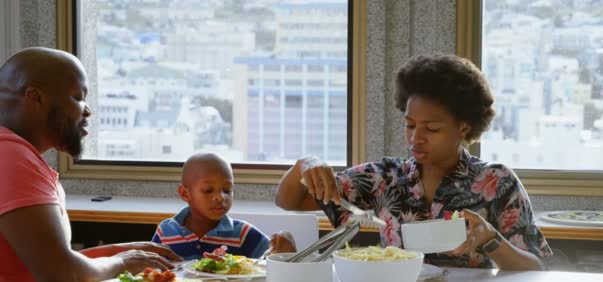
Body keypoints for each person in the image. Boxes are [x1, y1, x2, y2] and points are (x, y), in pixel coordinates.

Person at [275, 54, 552, 271]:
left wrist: (492, 240)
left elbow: (535, 268)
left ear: (464, 128)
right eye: (410, 125)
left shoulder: (496, 182)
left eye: (431, 129)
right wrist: (306, 164)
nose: (415, 139)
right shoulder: (383, 178)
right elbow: (290, 201)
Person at [0, 47, 181, 282]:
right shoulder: (13, 158)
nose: (88, 111)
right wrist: (120, 262)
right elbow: (61, 277)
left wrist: (120, 252)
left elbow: (43, 263)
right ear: (35, 97)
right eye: (77, 97)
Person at [152, 152, 296, 261]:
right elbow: (151, 270)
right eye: (208, 190)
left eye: (227, 190)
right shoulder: (166, 231)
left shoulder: (242, 233)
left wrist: (285, 251)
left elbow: (270, 264)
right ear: (185, 194)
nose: (220, 197)